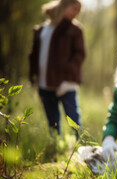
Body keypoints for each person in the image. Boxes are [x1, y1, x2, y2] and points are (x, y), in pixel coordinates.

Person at [29, 0, 85, 137]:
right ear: (64, 6)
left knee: (73, 118)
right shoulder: (42, 29)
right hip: (44, 83)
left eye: (79, 10)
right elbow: (34, 55)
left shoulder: (74, 30)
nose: (76, 13)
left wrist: (67, 70)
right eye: (74, 8)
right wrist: (33, 74)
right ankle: (55, 152)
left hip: (66, 83)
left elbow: (80, 54)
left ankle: (84, 149)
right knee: (52, 122)